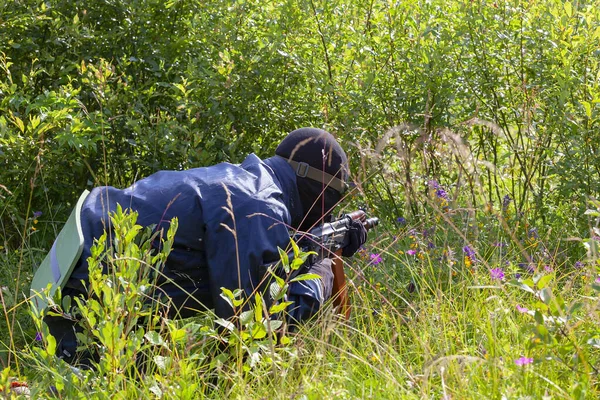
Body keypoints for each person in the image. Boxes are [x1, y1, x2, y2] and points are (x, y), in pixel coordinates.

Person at [43, 127, 368, 364]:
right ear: (314, 187)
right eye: (331, 201)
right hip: (91, 297)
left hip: (75, 274)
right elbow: (251, 329)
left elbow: (266, 261)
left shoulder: (248, 186)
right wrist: (322, 272)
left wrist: (315, 244)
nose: (326, 212)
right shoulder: (261, 206)